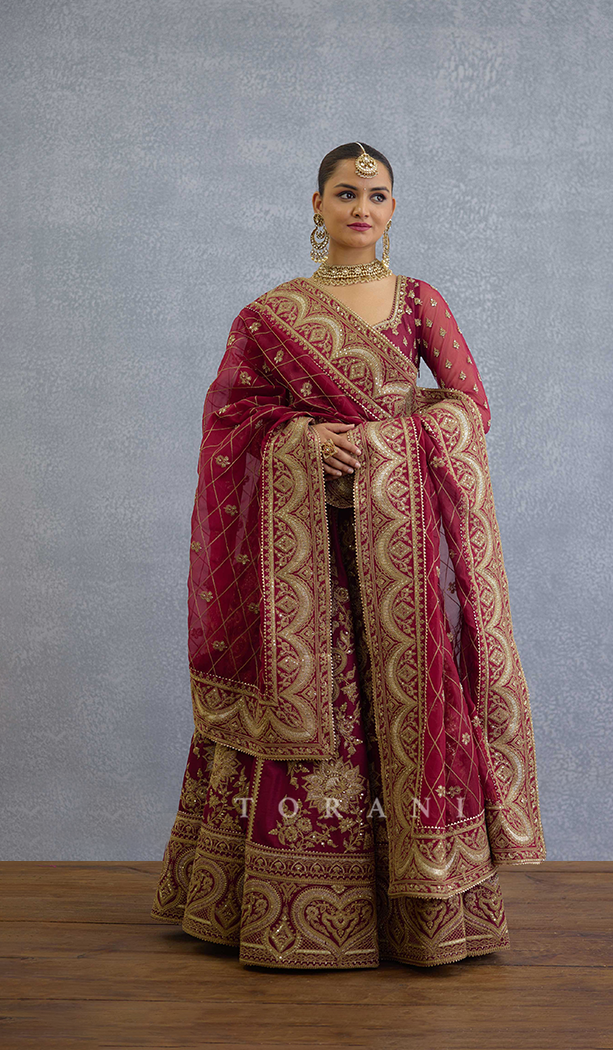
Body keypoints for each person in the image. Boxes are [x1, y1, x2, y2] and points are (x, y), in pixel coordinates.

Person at [151, 141, 545, 969]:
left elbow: (468, 408)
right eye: (344, 193)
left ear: (393, 208)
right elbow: (230, 422)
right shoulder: (270, 316)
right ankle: (274, 908)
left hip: (399, 551)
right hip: (301, 556)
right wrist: (302, 439)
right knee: (311, 702)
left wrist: (386, 443)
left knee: (411, 703)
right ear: (318, 205)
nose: (361, 208)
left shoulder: (418, 300)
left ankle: (422, 910)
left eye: (376, 194)